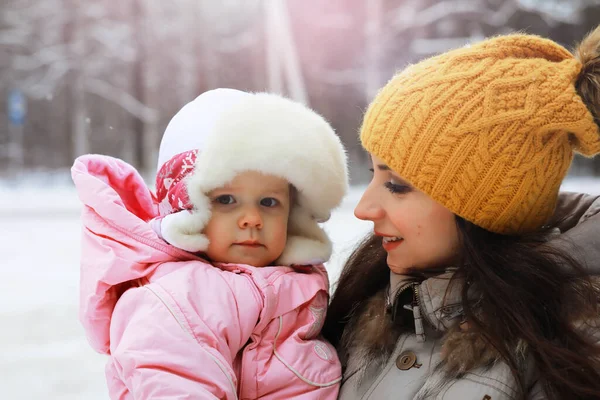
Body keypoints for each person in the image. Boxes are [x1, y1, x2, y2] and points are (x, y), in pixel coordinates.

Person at [323, 27, 600, 399]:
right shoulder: (361, 307)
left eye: (398, 185)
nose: (363, 209)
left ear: (487, 208)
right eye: (374, 174)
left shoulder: (568, 347)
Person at [71, 88, 347, 399]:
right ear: (186, 208)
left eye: (269, 202)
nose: (252, 219)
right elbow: (174, 382)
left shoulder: (297, 282)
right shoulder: (179, 299)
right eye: (226, 200)